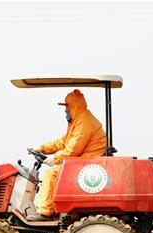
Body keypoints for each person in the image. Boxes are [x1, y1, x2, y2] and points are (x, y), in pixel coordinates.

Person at [28, 89, 107, 221]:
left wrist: (54, 159)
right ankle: (53, 209)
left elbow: (73, 149)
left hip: (88, 162)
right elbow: (64, 142)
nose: (65, 111)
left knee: (52, 174)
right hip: (85, 160)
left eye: (67, 107)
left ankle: (45, 213)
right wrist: (42, 148)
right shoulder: (79, 120)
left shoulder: (84, 122)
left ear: (74, 106)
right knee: (54, 171)